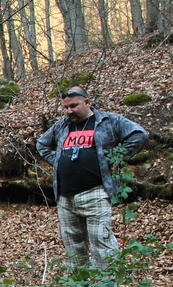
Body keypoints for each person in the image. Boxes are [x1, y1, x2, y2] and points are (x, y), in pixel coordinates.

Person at [36, 86, 148, 270]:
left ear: (87, 102)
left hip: (95, 192)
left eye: (73, 106)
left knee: (101, 242)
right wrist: (57, 160)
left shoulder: (108, 121)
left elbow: (139, 135)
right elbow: (41, 144)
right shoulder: (63, 125)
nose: (69, 111)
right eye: (65, 107)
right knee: (73, 247)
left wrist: (117, 156)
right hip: (65, 196)